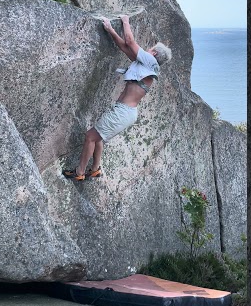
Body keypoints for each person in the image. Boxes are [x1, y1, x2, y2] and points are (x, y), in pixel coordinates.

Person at [62, 14, 172, 181]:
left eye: (150, 48)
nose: (146, 49)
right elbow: (124, 47)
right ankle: (95, 169)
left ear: (154, 53)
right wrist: (111, 30)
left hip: (124, 112)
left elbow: (129, 41)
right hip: (125, 111)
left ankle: (79, 172)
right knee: (98, 137)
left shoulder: (149, 61)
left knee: (90, 136)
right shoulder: (145, 65)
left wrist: (126, 21)